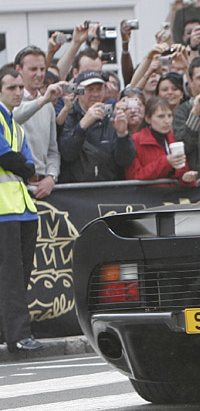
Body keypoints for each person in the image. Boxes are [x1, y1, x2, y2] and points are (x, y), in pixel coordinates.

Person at [0, 66, 42, 352]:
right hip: (5, 211)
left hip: (22, 209)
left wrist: (22, 165)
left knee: (20, 276)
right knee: (12, 277)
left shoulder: (15, 125)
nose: (18, 92)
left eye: (19, 87)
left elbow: (28, 165)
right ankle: (18, 336)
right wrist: (22, 165)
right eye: (11, 87)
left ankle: (11, 333)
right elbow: (11, 159)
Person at [58, 70, 134, 182]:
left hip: (108, 189)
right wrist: (82, 126)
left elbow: (125, 161)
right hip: (76, 191)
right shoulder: (68, 116)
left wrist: (122, 135)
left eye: (99, 89)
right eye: (90, 90)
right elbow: (67, 154)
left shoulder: (112, 118)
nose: (95, 94)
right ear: (78, 92)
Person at [13, 46, 63, 199]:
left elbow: (52, 150)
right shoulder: (9, 101)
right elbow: (15, 117)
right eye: (33, 69)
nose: (39, 74)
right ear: (19, 69)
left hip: (42, 188)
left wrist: (51, 177)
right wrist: (42, 100)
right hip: (15, 186)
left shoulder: (47, 105)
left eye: (42, 68)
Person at [126, 97, 197, 184]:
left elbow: (181, 171)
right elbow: (135, 176)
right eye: (161, 116)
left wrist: (185, 178)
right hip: (147, 195)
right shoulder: (135, 140)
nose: (167, 121)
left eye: (170, 116)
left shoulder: (173, 138)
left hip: (172, 194)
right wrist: (166, 162)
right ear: (148, 119)